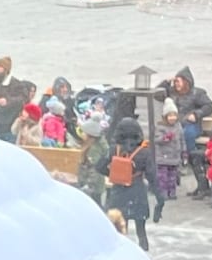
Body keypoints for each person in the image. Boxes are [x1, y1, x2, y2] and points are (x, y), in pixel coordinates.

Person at [157, 66, 212, 195]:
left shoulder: (197, 93)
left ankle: (186, 158)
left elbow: (209, 106)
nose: (176, 84)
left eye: (179, 81)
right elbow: (157, 93)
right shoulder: (172, 92)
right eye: (175, 81)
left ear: (186, 82)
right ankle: (173, 163)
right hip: (175, 124)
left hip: (190, 124)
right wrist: (166, 82)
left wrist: (197, 114)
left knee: (187, 134)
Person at [101, 117, 151, 251]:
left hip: (118, 191)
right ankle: (144, 250)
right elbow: (152, 174)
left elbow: (99, 166)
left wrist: (114, 173)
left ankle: (122, 252)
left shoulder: (113, 150)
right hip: (137, 191)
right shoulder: (144, 152)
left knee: (121, 226)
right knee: (141, 227)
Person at [152, 98, 186, 223]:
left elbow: (182, 140)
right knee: (163, 176)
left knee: (173, 175)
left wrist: (184, 152)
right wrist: (164, 138)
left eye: (174, 115)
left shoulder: (178, 126)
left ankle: (172, 192)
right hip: (163, 156)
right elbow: (156, 140)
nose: (172, 118)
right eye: (170, 115)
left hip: (174, 156)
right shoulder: (160, 126)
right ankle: (163, 192)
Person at [0, 56, 29, 142]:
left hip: (9, 130)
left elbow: (23, 99)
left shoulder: (16, 84)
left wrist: (8, 101)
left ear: (6, 70)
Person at [79, 118, 108, 207]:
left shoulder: (93, 149)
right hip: (95, 183)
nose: (82, 134)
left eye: (84, 132)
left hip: (93, 185)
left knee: (95, 205)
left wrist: (88, 184)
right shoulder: (95, 144)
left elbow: (94, 167)